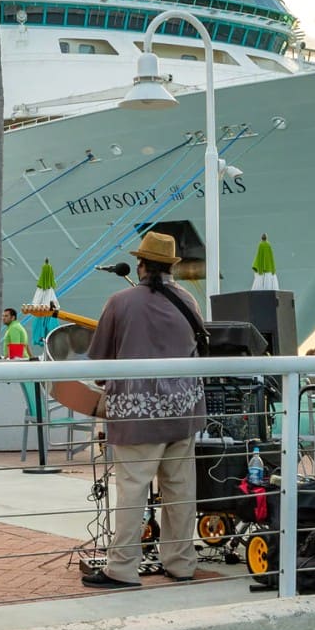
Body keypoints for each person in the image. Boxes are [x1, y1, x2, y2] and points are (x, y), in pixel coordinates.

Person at [82, 230, 206, 588]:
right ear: (171, 267)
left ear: (140, 265)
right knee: (180, 490)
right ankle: (181, 563)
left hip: (137, 414)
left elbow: (100, 361)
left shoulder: (120, 302)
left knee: (134, 489)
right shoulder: (188, 302)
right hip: (183, 410)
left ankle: (122, 568)